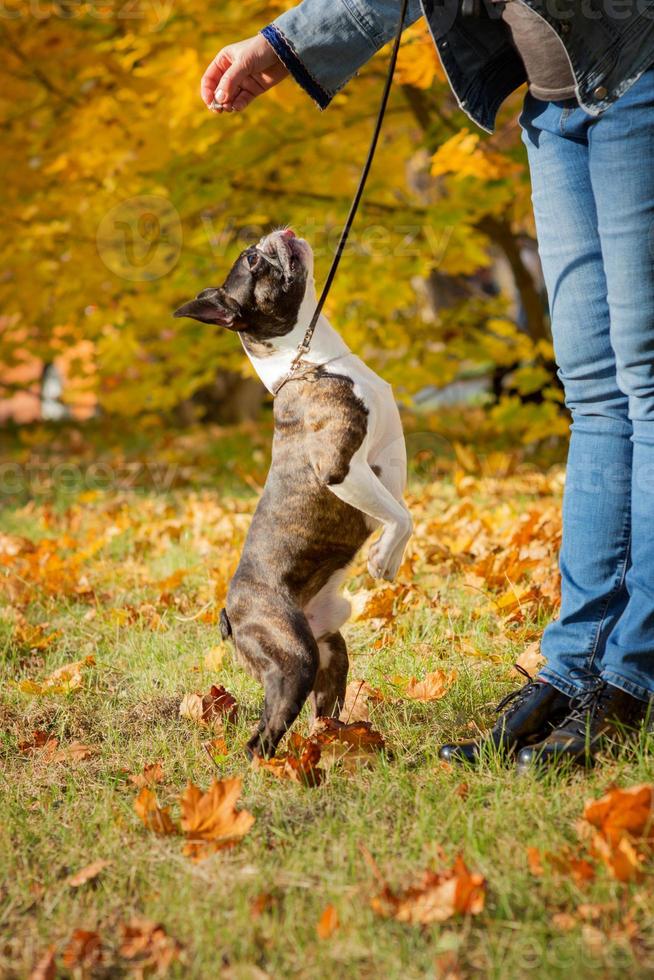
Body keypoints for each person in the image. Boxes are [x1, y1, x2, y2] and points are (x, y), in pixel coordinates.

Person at [200, 0, 654, 772]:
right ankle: (576, 668)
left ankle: (632, 676)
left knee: (643, 383)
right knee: (595, 395)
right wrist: (283, 44)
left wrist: (282, 44)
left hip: (638, 77)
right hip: (555, 106)